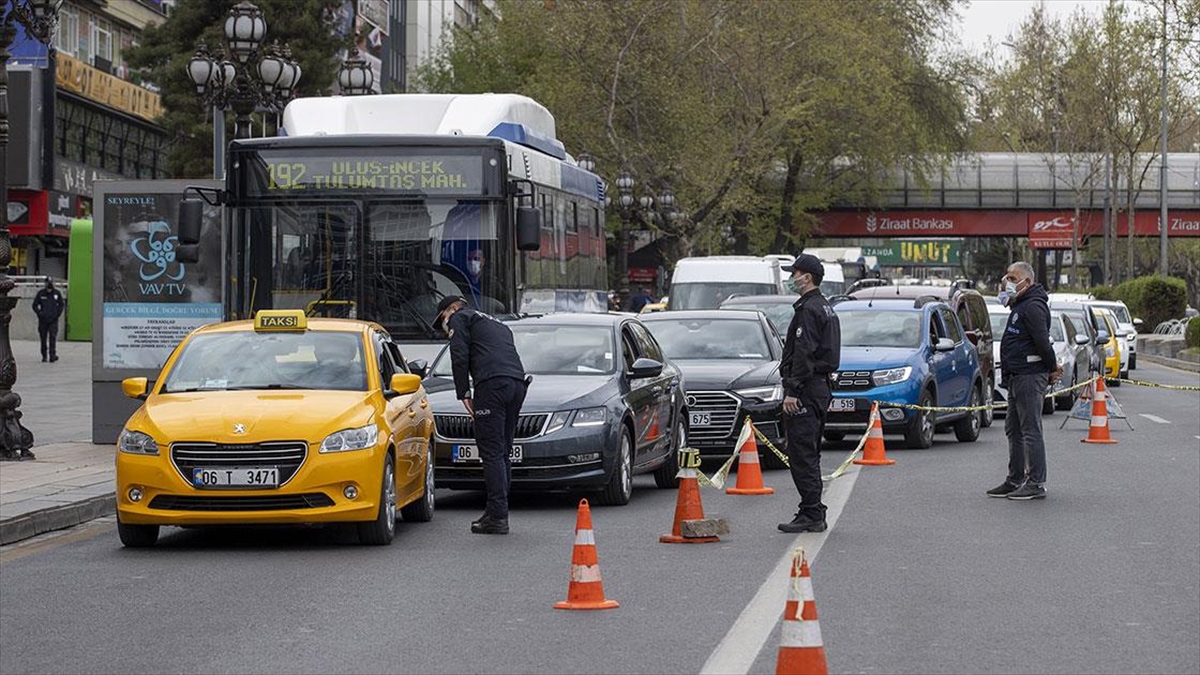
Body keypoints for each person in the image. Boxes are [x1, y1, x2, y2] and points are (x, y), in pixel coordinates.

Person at [433, 295, 529, 534]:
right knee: (503, 451)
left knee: (491, 451)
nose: (445, 326)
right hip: (516, 384)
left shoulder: (460, 318)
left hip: (492, 386)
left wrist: (463, 392)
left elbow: (459, 355)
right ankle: (496, 510)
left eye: (443, 318)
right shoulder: (497, 323)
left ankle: (497, 516)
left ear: (452, 308)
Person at [777, 254, 841, 533]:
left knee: (802, 452)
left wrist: (793, 390)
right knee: (809, 451)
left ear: (807, 277)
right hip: (819, 387)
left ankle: (812, 512)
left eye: (795, 274)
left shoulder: (809, 310)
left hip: (807, 388)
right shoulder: (825, 307)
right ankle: (811, 509)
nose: (792, 278)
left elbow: (803, 353)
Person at [989, 262, 1062, 501]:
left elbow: (1042, 342)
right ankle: (1015, 479)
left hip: (1030, 376)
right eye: (1006, 278)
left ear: (1027, 282)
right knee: (1014, 429)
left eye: (1012, 278)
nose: (1007, 283)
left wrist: (1052, 368)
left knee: (1030, 430)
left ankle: (1036, 482)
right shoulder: (1020, 305)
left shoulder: (1032, 307)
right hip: (1017, 375)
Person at [32, 276, 65, 363]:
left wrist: (57, 314)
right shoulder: (41, 293)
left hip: (53, 320)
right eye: (48, 282)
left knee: (52, 338)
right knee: (43, 338)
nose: (49, 284)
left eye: (51, 282)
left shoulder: (57, 293)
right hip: (43, 320)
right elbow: (34, 305)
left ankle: (52, 355)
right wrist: (40, 314)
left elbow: (61, 305)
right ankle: (44, 356)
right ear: (45, 283)